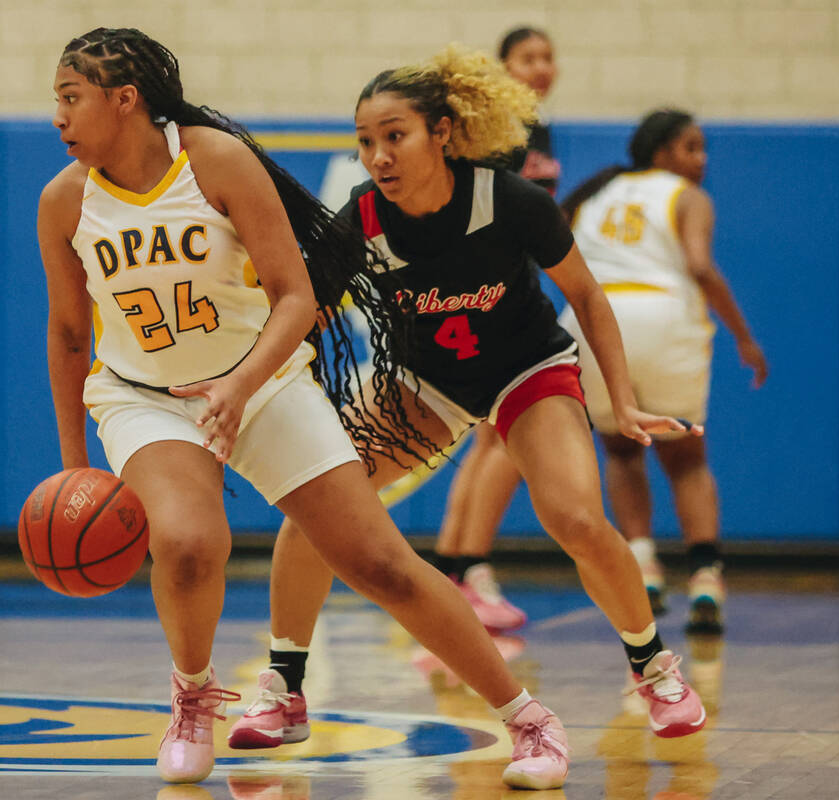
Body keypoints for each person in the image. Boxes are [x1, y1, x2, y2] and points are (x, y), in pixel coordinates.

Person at [39, 27, 571, 790]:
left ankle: (528, 719)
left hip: (263, 380)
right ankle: (192, 699)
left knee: (380, 564)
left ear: (124, 101)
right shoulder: (63, 202)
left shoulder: (215, 161)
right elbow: (65, 334)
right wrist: (72, 467)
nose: (57, 117)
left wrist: (242, 386)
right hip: (144, 397)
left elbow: (296, 295)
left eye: (69, 98)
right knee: (189, 543)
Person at [230, 44, 708, 761]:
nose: (378, 155)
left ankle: (654, 668)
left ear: (442, 134)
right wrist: (240, 381)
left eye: (395, 136)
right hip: (423, 382)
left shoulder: (510, 201)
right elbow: (303, 311)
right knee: (318, 504)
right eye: (365, 142)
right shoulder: (360, 219)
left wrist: (628, 402)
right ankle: (285, 686)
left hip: (526, 370)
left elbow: (586, 297)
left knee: (575, 517)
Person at [558, 109, 769, 632]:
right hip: (663, 314)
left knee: (623, 449)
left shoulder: (596, 193)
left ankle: (644, 567)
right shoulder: (687, 196)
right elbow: (699, 266)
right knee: (688, 458)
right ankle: (705, 577)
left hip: (594, 321)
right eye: (691, 148)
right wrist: (743, 335)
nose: (701, 160)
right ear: (661, 153)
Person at [432, 25, 562, 633]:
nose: (540, 67)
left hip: (509, 294)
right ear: (501, 66)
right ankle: (472, 570)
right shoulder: (491, 136)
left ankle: (455, 575)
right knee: (504, 440)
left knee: (488, 441)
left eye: (547, 57)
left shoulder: (540, 132)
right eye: (526, 57)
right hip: (480, 298)